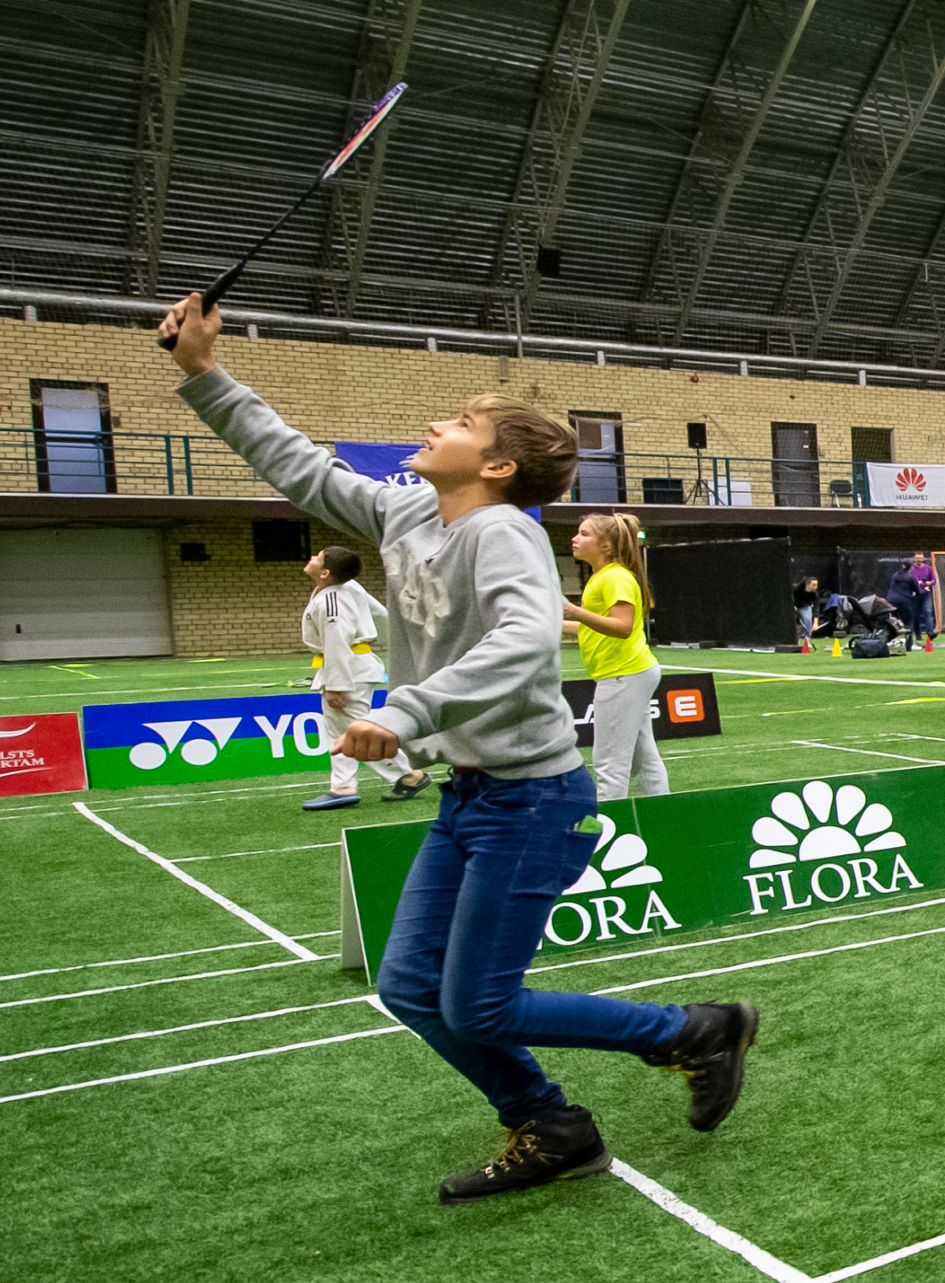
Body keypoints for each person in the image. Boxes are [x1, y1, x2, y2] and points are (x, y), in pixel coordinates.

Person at [160, 290, 755, 1203]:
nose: (436, 425)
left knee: (478, 1000)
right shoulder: (406, 514)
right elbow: (300, 469)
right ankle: (550, 1124)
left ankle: (689, 1032)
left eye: (462, 423)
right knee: (409, 986)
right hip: (471, 797)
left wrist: (404, 714)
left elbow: (524, 640)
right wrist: (204, 372)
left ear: (498, 465)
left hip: (534, 802)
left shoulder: (503, 532)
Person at [298, 545, 426, 809]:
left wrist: (337, 685)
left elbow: (336, 641)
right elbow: (381, 614)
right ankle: (343, 787)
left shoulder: (331, 600)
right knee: (342, 730)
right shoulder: (348, 587)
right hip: (355, 664)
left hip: (349, 667)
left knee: (356, 730)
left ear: (325, 572)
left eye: (318, 557)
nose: (312, 557)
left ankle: (408, 775)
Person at [563, 512, 668, 802]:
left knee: (610, 763)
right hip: (631, 673)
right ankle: (663, 812)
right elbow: (594, 627)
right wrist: (554, 623)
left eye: (584, 534)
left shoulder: (614, 577)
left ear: (606, 546)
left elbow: (622, 626)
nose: (575, 538)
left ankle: (610, 823)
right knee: (644, 757)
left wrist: (574, 611)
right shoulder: (604, 577)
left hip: (623, 675)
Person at [906, 553, 938, 651]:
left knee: (928, 611)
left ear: (923, 559)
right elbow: (908, 580)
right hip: (915, 595)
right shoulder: (911, 569)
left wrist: (929, 582)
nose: (919, 560)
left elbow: (934, 580)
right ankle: (918, 634)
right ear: (914, 559)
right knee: (915, 615)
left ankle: (930, 633)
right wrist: (916, 583)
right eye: (917, 558)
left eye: (921, 558)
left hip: (926, 594)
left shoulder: (928, 568)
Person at [792, 573, 825, 649]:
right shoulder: (797, 589)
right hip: (794, 606)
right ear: (808, 584)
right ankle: (794, 640)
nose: (816, 587)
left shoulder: (814, 594)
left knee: (808, 621)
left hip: (806, 606)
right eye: (814, 585)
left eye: (816, 585)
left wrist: (815, 623)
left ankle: (806, 640)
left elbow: (816, 608)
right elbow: (790, 596)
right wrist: (793, 605)